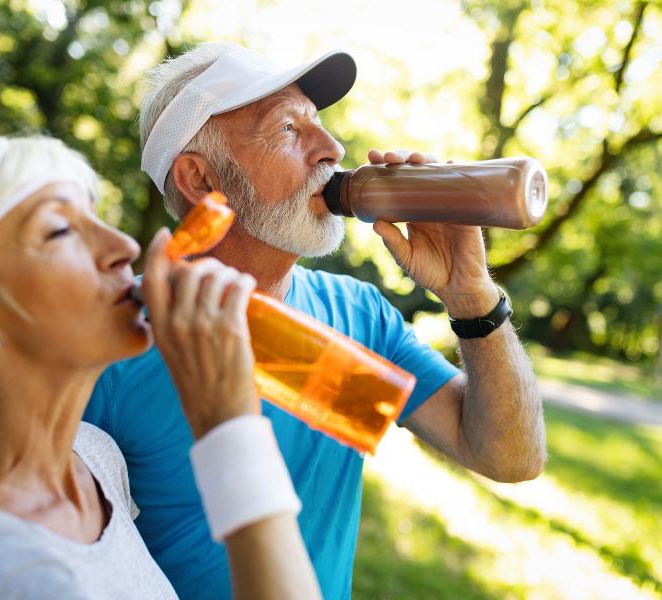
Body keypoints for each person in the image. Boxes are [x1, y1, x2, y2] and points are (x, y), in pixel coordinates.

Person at [84, 42, 547, 600]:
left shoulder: (357, 316)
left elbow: (508, 457)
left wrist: (471, 296)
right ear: (201, 180)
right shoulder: (105, 342)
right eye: (287, 129)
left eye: (319, 124)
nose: (332, 147)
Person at [0, 136, 322, 600]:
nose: (125, 247)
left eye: (95, 218)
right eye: (59, 231)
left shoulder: (96, 462)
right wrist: (228, 429)